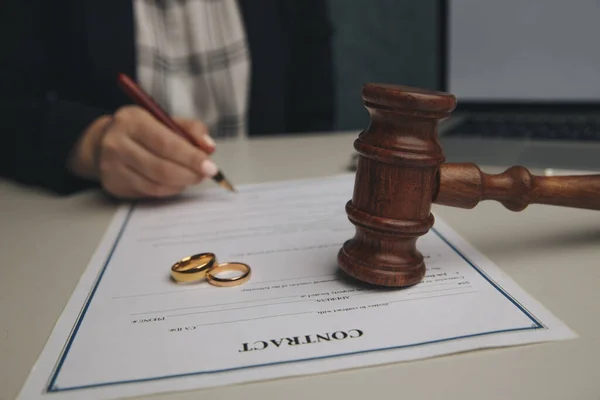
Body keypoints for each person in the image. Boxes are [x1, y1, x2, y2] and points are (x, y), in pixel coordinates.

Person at [0, 0, 335, 199]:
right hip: (88, 213)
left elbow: (313, 111)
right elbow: (12, 107)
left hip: (266, 201)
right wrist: (90, 142)